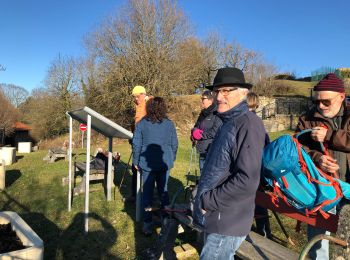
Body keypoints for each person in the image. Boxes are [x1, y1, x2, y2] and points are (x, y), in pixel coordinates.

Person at [193, 67, 266, 259]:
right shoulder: (228, 122)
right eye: (217, 91)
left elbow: (247, 180)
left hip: (227, 221)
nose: (219, 96)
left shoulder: (248, 124)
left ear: (243, 93)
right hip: (217, 216)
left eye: (226, 90)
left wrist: (207, 200)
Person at [296, 73, 350, 260]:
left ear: (341, 97)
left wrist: (328, 135)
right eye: (316, 101)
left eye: (326, 102)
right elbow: (297, 147)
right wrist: (317, 157)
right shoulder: (307, 118)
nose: (320, 106)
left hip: (348, 185)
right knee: (319, 240)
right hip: (323, 186)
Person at [132, 97, 178, 235]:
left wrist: (135, 161)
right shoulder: (169, 124)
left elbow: (136, 144)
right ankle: (165, 219)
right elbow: (174, 144)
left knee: (147, 193)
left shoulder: (141, 124)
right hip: (164, 162)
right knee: (163, 191)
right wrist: (171, 158)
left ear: (149, 107)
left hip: (148, 164)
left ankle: (147, 222)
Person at [247, 92, 272, 239]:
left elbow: (266, 144)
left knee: (259, 203)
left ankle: (264, 233)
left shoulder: (253, 121)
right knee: (257, 202)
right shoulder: (255, 121)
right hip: (255, 167)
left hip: (254, 168)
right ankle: (263, 232)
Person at [126, 85, 152, 202]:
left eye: (137, 97)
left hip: (146, 144)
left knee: (146, 170)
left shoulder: (150, 103)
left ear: (142, 94)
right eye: (134, 97)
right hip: (137, 141)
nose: (135, 99)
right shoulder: (138, 105)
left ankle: (148, 196)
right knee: (135, 168)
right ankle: (135, 195)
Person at [191, 90, 222, 173]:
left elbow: (215, 131)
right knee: (202, 172)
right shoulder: (203, 113)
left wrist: (201, 135)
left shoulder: (216, 114)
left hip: (211, 150)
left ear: (210, 100)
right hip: (202, 149)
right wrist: (193, 133)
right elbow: (196, 126)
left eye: (203, 98)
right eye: (201, 98)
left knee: (209, 174)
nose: (201, 101)